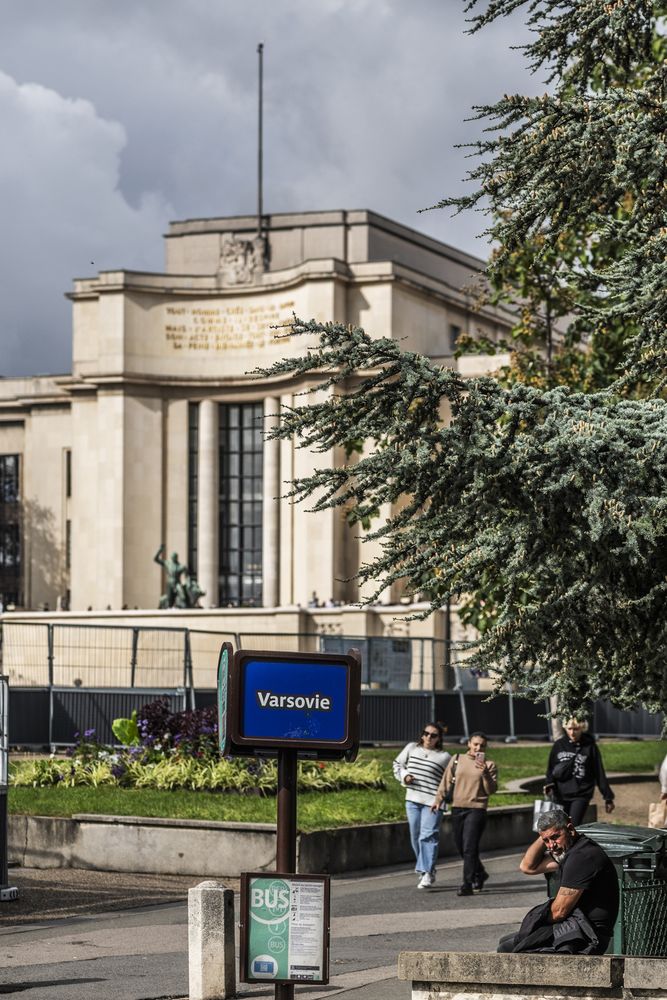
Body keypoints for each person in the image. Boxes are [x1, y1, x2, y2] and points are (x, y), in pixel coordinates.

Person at [497, 808, 619, 954]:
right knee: (506, 941)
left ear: (570, 829)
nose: (551, 845)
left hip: (587, 936)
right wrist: (544, 833)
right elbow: (527, 867)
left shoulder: (582, 857)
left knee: (508, 948)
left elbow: (559, 912)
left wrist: (534, 923)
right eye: (546, 841)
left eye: (555, 837)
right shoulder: (570, 851)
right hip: (576, 927)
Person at [434, 731, 497, 896]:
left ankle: (467, 884)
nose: (478, 748)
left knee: (469, 847)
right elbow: (446, 781)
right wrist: (438, 799)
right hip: (457, 807)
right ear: (469, 743)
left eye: (482, 745)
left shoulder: (489, 765)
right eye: (475, 744)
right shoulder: (457, 759)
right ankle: (480, 872)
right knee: (461, 846)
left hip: (477, 808)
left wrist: (485, 773)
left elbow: (491, 790)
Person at [393, 722, 451, 889]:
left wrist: (442, 799)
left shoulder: (444, 757)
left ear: (439, 739)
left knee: (428, 835)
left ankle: (427, 872)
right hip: (412, 800)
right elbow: (397, 764)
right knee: (415, 835)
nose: (428, 738)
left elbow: (449, 781)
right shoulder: (411, 748)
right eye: (426, 734)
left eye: (433, 735)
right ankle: (426, 869)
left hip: (433, 802)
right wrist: (405, 776)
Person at [545, 718, 614, 826]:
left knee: (573, 825)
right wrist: (549, 784)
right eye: (569, 729)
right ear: (565, 728)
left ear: (582, 728)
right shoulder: (559, 745)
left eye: (576, 729)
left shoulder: (590, 746)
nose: (572, 732)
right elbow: (550, 769)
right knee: (559, 827)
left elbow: (599, 772)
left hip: (581, 794)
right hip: (560, 794)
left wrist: (608, 797)